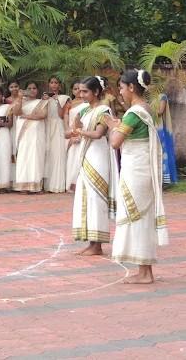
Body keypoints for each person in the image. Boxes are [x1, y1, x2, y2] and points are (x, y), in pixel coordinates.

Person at [105, 70, 168, 284]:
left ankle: (146, 273)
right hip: (140, 168)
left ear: (132, 87)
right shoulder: (146, 109)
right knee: (140, 216)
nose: (121, 93)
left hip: (136, 170)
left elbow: (115, 142)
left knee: (137, 216)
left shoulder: (134, 113)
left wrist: (113, 127)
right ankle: (144, 269)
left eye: (122, 88)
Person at [70, 76, 115, 256]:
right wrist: (77, 127)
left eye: (85, 91)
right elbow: (76, 131)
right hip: (86, 155)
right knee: (85, 197)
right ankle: (91, 242)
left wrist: (80, 130)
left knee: (96, 199)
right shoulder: (86, 111)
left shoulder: (103, 110)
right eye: (80, 91)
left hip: (98, 157)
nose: (81, 95)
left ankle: (98, 245)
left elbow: (97, 134)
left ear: (96, 91)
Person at [13, 82, 48, 193]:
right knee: (23, 155)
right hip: (23, 133)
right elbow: (17, 112)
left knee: (36, 156)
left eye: (34, 88)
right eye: (29, 88)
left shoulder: (42, 102)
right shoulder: (20, 100)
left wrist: (26, 116)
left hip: (36, 131)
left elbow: (43, 115)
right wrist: (19, 97)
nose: (32, 90)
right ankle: (22, 185)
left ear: (38, 90)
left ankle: (35, 185)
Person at [44, 76, 70, 193]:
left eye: (56, 83)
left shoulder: (64, 98)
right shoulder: (44, 98)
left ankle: (58, 184)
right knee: (48, 155)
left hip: (58, 126)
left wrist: (56, 100)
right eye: (52, 82)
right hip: (47, 126)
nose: (54, 85)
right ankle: (47, 184)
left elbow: (61, 115)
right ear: (49, 84)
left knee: (58, 153)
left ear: (60, 85)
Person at [151, 91, 179, 184]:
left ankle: (165, 179)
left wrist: (147, 110)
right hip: (151, 128)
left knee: (162, 152)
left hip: (160, 128)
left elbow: (160, 111)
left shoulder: (161, 97)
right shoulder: (147, 98)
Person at [65, 81, 88, 193]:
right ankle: (72, 184)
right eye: (75, 89)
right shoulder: (69, 104)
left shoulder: (88, 104)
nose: (78, 91)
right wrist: (70, 135)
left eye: (81, 89)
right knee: (72, 159)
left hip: (84, 133)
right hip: (72, 133)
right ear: (72, 91)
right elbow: (66, 122)